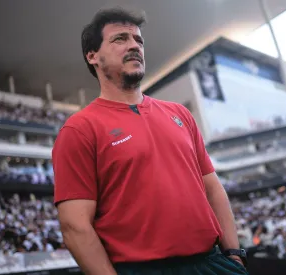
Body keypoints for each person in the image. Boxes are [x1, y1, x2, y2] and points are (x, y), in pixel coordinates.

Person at [52, 8, 248, 275]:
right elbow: (75, 225)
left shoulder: (180, 114)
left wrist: (234, 256)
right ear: (93, 56)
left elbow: (213, 190)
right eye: (120, 39)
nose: (134, 45)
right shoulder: (79, 129)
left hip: (212, 262)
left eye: (138, 40)